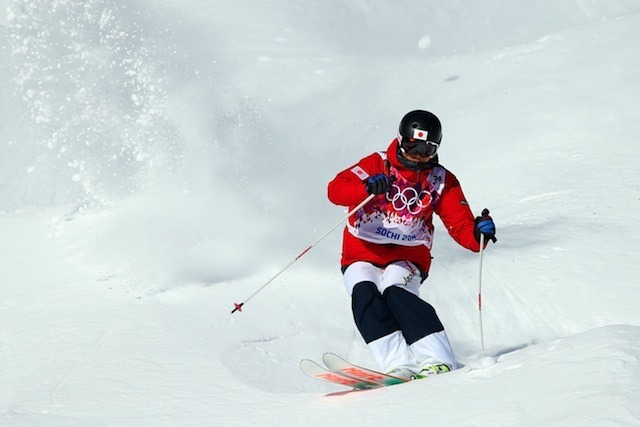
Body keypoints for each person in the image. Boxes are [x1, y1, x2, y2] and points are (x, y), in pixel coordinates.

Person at [327, 110, 496, 380]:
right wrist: (365, 187)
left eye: (427, 150)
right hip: (361, 252)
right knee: (364, 295)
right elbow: (335, 189)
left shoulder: (441, 181)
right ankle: (398, 364)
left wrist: (478, 235)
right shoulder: (376, 164)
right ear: (400, 140)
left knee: (397, 292)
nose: (418, 157)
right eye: (412, 147)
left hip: (408, 254)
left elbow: (460, 225)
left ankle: (439, 360)